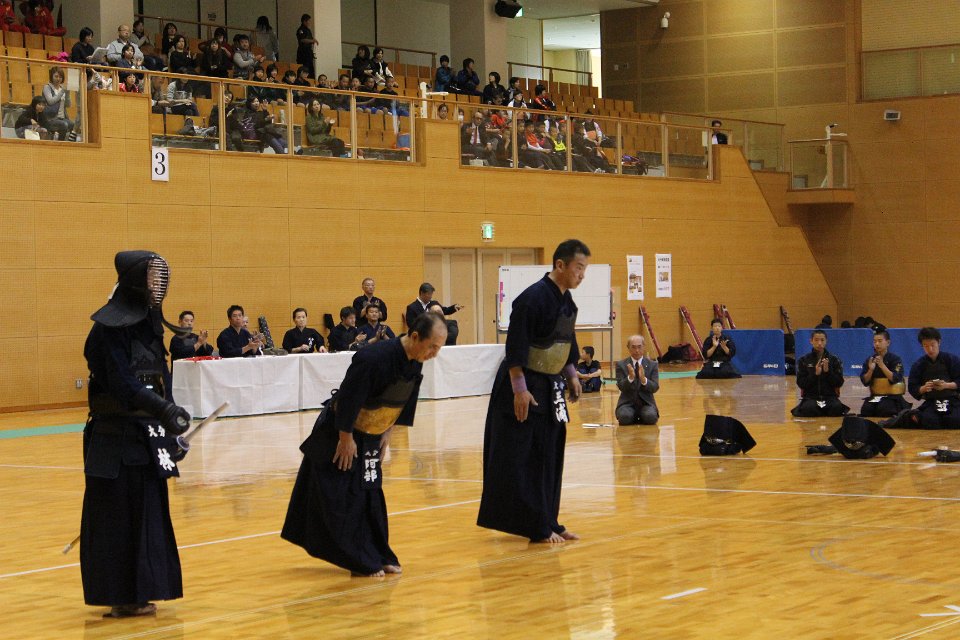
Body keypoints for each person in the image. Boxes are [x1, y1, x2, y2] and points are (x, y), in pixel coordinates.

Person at [282, 312, 447, 576]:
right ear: (415, 336)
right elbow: (349, 398)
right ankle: (358, 559)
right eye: (432, 347)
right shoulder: (373, 358)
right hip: (340, 431)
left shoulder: (414, 361)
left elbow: (401, 399)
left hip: (371, 434)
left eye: (439, 348)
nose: (434, 354)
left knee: (370, 492)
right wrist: (345, 439)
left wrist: (387, 432)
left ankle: (378, 553)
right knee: (340, 497)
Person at [81, 251, 191, 618]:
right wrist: (163, 410)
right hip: (114, 439)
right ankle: (121, 596)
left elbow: (160, 377)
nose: (157, 285)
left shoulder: (150, 326)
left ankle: (144, 591)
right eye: (150, 278)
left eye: (160, 278)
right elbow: (121, 382)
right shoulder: (107, 330)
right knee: (117, 518)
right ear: (133, 280)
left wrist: (171, 430)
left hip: (147, 437)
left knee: (148, 515)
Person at [477, 239, 589, 544]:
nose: (582, 275)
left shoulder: (566, 300)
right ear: (560, 265)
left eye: (585, 269)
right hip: (525, 384)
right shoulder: (531, 299)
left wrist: (572, 375)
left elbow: (566, 341)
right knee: (525, 458)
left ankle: (549, 519)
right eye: (578, 268)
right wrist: (519, 389)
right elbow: (515, 347)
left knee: (550, 455)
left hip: (550, 385)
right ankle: (535, 525)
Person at [892, 327, 960, 429]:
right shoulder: (919, 364)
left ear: (939, 342)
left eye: (933, 345)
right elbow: (913, 387)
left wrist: (946, 385)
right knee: (930, 421)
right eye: (926, 346)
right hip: (931, 401)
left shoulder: (951, 360)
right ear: (922, 346)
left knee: (954, 420)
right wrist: (923, 388)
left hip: (952, 400)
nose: (930, 349)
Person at [790, 329, 849, 417]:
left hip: (830, 397)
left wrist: (828, 372)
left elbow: (839, 383)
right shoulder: (804, 360)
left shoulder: (834, 360)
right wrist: (815, 374)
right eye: (816, 340)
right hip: (811, 397)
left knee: (836, 408)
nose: (819, 343)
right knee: (809, 408)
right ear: (811, 341)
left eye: (822, 340)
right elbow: (801, 383)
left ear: (826, 341)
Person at [858, 330, 909, 417]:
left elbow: (895, 378)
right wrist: (871, 370)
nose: (877, 344)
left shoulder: (895, 359)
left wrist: (882, 366)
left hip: (892, 397)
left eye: (880, 341)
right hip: (876, 396)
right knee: (866, 410)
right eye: (875, 341)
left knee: (884, 410)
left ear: (888, 342)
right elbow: (865, 381)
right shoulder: (870, 360)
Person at [615, 335, 660, 425]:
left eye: (639, 347)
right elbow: (621, 386)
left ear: (644, 346)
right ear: (628, 348)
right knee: (625, 417)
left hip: (646, 403)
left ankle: (641, 416)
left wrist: (644, 380)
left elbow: (655, 387)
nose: (637, 350)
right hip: (627, 403)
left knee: (650, 417)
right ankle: (633, 416)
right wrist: (630, 378)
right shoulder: (621, 365)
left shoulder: (652, 365)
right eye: (633, 347)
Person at [42, 66, 74, 140]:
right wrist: (62, 92)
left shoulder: (62, 88)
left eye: (60, 77)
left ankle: (66, 143)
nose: (58, 79)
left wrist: (68, 93)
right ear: (51, 76)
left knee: (72, 124)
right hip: (50, 118)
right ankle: (60, 143)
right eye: (56, 76)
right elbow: (50, 101)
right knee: (64, 125)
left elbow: (68, 105)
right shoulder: (47, 87)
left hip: (62, 117)